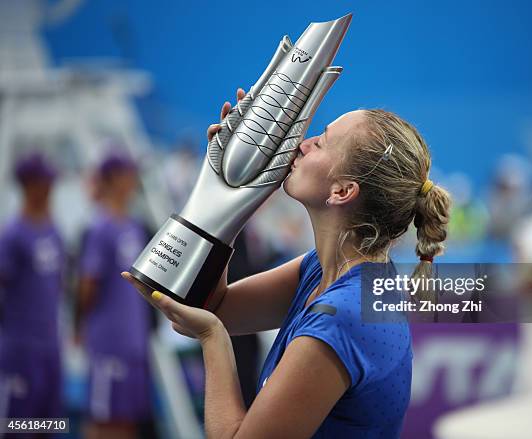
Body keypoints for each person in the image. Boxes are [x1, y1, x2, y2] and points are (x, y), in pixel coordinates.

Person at [124, 89, 452, 438]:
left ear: (342, 191)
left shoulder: (344, 316)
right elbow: (210, 305)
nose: (302, 144)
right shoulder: (322, 271)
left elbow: (207, 321)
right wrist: (230, 194)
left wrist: (213, 338)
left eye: (321, 142)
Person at [77, 154, 153, 439]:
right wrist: (83, 329)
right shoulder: (100, 227)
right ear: (113, 179)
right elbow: (86, 287)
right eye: (127, 174)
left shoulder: (134, 226)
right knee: (104, 419)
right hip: (108, 342)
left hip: (133, 341)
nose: (133, 181)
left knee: (127, 420)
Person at [0, 153, 65, 431]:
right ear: (29, 185)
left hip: (50, 346)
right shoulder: (12, 235)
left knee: (49, 425)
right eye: (45, 182)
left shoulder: (53, 230)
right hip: (20, 349)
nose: (51, 188)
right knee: (19, 426)